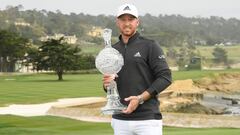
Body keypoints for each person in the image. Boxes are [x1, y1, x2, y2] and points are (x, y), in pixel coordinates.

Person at [102, 3, 172, 135]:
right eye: (123, 19)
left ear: (137, 22)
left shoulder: (150, 46)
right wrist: (107, 84)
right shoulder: (112, 50)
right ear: (117, 22)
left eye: (131, 19)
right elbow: (110, 86)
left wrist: (140, 98)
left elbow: (165, 77)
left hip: (147, 120)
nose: (127, 23)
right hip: (120, 119)